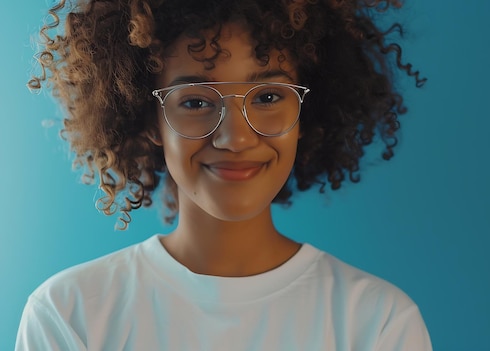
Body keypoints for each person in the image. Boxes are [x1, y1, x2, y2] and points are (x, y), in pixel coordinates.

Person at [16, 0, 431, 349]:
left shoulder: (379, 325)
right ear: (149, 119)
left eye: (268, 96)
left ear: (305, 112)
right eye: (196, 102)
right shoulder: (69, 315)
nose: (235, 138)